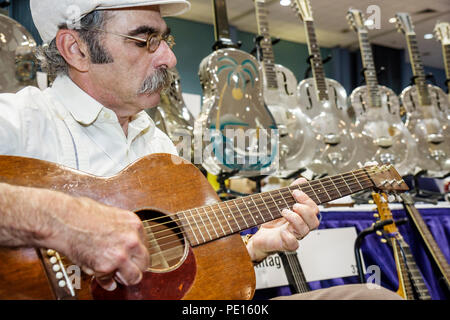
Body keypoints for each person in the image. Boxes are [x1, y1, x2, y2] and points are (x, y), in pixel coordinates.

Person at [0, 0, 401, 300]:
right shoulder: (20, 120)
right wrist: (60, 220)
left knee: (369, 296)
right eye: (146, 39)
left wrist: (254, 248)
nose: (170, 57)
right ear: (76, 49)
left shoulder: (156, 145)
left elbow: (180, 274)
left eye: (166, 39)